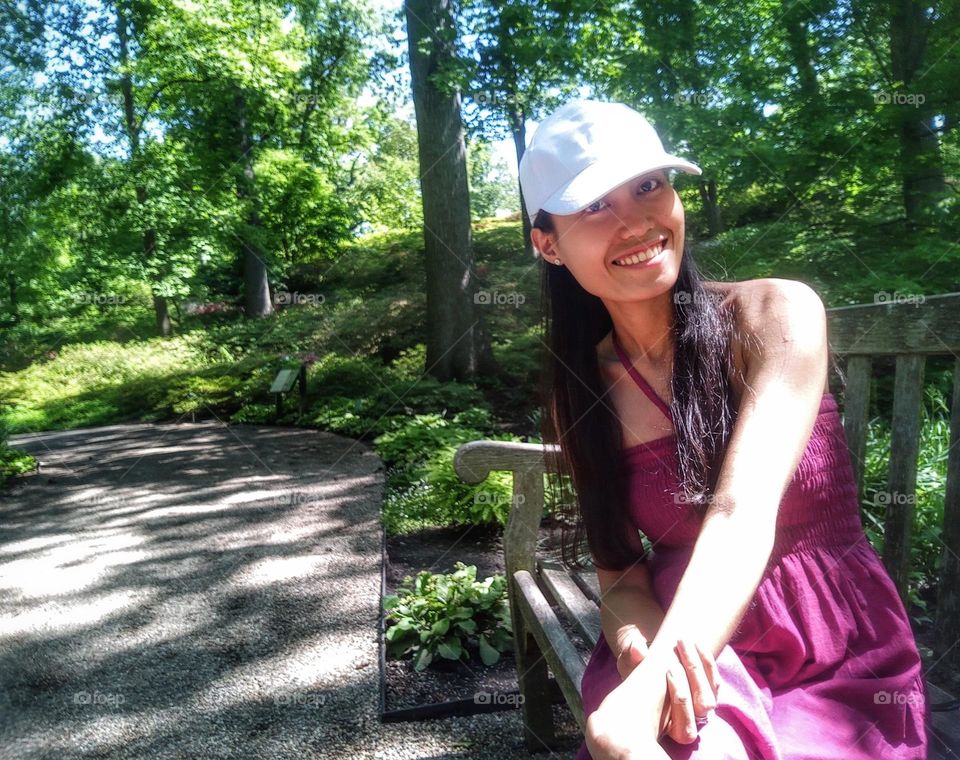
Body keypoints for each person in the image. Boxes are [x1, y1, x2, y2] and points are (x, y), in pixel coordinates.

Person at [517, 98, 929, 759]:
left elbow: (741, 510)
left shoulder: (774, 315)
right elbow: (620, 574)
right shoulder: (584, 393)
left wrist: (650, 686)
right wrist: (637, 648)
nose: (637, 219)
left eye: (649, 185)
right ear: (548, 244)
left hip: (835, 648)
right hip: (686, 638)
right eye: (595, 205)